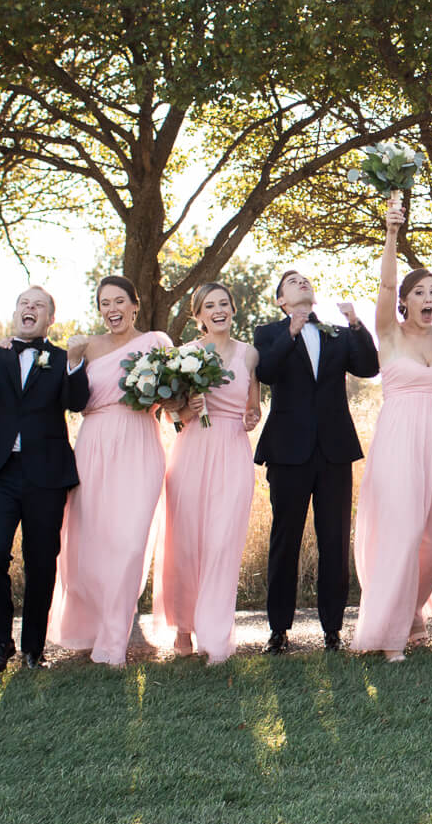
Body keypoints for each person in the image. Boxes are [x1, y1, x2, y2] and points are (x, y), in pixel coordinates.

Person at [350, 198, 432, 660]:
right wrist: (391, 233)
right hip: (399, 439)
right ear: (405, 300)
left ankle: (414, 608)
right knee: (401, 533)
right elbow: (385, 281)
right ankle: (391, 630)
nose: (429, 298)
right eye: (420, 292)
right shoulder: (389, 332)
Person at [253, 266, 379, 652]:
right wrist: (290, 333)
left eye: (306, 280)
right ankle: (278, 629)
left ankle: (333, 628)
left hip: (335, 450)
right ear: (280, 300)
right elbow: (268, 371)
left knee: (335, 540)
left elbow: (369, 367)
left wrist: (357, 324)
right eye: (292, 282)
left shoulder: (338, 333)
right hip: (288, 452)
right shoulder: (268, 334)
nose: (303, 283)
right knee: (285, 540)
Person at [0, 286, 89, 674]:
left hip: (47, 474)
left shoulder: (60, 358)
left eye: (39, 306)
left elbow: (76, 402)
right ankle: (0, 645)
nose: (30, 309)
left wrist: (75, 363)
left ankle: (34, 649)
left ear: (51, 319)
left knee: (41, 561)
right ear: (15, 313)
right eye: (24, 304)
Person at [45, 276, 169, 666]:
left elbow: (176, 394)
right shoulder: (86, 346)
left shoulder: (157, 343)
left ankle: (115, 640)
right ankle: (92, 628)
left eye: (119, 301)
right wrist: (72, 362)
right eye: (104, 303)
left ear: (135, 304)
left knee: (131, 543)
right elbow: (73, 401)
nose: (112, 309)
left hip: (140, 440)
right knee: (92, 540)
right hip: (94, 442)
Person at [158, 283, 262, 663]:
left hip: (233, 450)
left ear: (233, 309)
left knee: (222, 542)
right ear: (198, 316)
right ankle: (185, 627)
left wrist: (252, 418)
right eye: (209, 306)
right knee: (186, 540)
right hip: (192, 450)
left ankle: (215, 631)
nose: (218, 311)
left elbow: (254, 406)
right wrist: (187, 408)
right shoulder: (184, 354)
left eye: (224, 304)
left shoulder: (250, 354)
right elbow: (171, 412)